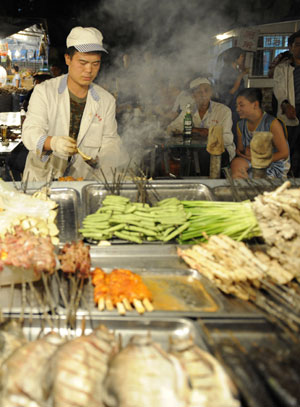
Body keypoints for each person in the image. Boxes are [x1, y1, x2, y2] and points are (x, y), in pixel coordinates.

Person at [22, 26, 128, 181]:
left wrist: (105, 158)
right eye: (83, 62)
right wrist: (54, 142)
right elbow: (30, 133)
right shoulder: (45, 92)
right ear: (68, 59)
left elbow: (110, 140)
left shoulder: (106, 100)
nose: (89, 70)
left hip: (82, 180)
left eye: (95, 64)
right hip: (42, 178)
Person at [167, 77, 236, 176]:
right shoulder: (188, 110)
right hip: (195, 153)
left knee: (203, 155)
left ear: (211, 92)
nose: (203, 94)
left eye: (206, 90)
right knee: (182, 155)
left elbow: (228, 139)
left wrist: (205, 132)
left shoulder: (223, 111)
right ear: (193, 95)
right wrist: (191, 130)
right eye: (199, 92)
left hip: (222, 152)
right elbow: (171, 128)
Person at [230, 88, 289, 179]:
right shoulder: (240, 125)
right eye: (236, 105)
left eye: (241, 105)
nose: (237, 109)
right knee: (236, 164)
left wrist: (259, 159)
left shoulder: (272, 123)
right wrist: (246, 152)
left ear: (255, 105)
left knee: (257, 175)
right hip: (252, 160)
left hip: (272, 163)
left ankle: (253, 188)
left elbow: (284, 153)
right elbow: (240, 150)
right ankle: (243, 188)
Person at [273, 31, 300, 177]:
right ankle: (287, 177)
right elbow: (279, 90)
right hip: (291, 111)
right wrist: (286, 105)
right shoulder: (282, 69)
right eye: (297, 45)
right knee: (289, 147)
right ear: (290, 47)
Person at [216, 47, 248, 141]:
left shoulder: (234, 70)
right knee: (233, 131)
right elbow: (229, 92)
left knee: (237, 131)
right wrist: (241, 75)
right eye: (242, 57)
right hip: (231, 106)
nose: (243, 59)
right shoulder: (227, 71)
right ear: (236, 57)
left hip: (236, 105)